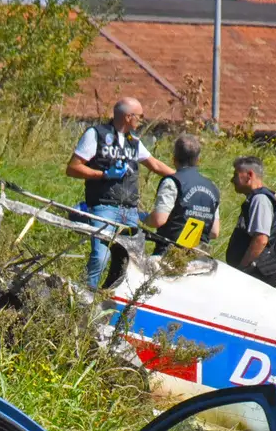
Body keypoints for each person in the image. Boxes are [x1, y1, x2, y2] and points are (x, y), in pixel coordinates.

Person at [66, 97, 174, 288]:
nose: (141, 120)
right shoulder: (96, 135)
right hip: (104, 207)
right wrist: (104, 174)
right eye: (139, 116)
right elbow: (73, 168)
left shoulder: (133, 141)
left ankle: (113, 301)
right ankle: (86, 296)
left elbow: (155, 164)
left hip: (130, 211)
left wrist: (182, 178)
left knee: (128, 263)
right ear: (127, 117)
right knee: (101, 257)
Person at [146, 133, 220, 256]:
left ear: (174, 158)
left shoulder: (172, 182)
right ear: (198, 160)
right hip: (199, 258)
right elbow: (214, 232)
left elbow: (159, 220)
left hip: (169, 255)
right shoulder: (213, 188)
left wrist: (143, 218)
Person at [226, 156, 276, 287]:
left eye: (236, 175)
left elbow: (261, 239)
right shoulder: (258, 198)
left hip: (257, 275)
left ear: (249, 175)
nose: (232, 180)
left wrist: (242, 269)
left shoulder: (260, 200)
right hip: (258, 273)